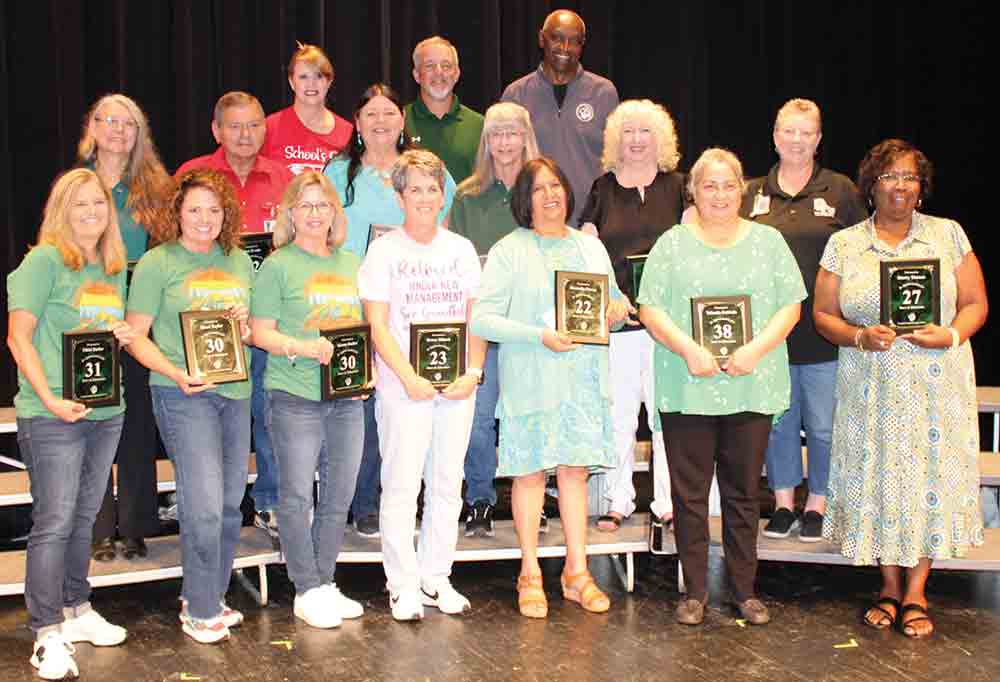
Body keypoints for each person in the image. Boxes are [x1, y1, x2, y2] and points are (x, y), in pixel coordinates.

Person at [814, 139, 987, 638]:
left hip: (938, 385)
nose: (900, 186)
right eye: (890, 176)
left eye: (910, 177)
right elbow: (824, 316)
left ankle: (917, 591)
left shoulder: (948, 236)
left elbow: (976, 302)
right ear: (871, 186)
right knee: (880, 478)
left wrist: (951, 334)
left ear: (922, 187)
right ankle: (888, 586)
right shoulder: (844, 244)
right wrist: (859, 336)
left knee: (928, 480)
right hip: (871, 385)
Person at [638, 148, 805, 627]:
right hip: (688, 384)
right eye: (708, 185)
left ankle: (744, 590)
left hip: (748, 385)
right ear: (693, 191)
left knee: (743, 495)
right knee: (689, 497)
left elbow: (790, 306)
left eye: (728, 185)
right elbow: (650, 308)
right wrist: (689, 349)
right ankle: (694, 591)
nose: (719, 195)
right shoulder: (671, 243)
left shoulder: (769, 241)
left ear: (742, 190)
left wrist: (755, 351)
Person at [472, 157, 629, 618]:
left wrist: (615, 312)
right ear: (525, 199)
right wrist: (536, 335)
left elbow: (614, 300)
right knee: (530, 475)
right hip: (532, 380)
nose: (550, 195)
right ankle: (530, 573)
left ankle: (577, 573)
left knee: (575, 474)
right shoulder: (508, 251)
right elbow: (482, 318)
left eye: (556, 185)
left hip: (583, 382)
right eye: (539, 189)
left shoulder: (590, 248)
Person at [7, 168, 135, 680]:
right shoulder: (42, 262)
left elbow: (97, 334)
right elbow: (19, 340)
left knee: (84, 519)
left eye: (99, 204)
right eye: (79, 204)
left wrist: (122, 332)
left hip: (105, 413)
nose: (91, 213)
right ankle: (45, 632)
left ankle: (77, 609)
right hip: (51, 416)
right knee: (55, 522)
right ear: (61, 210)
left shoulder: (112, 266)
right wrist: (51, 400)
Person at [125, 169, 254, 644]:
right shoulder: (157, 263)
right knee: (200, 506)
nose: (204, 219)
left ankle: (207, 596)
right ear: (177, 213)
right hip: (182, 394)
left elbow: (247, 333)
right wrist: (177, 373)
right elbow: (135, 335)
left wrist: (242, 328)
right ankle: (200, 611)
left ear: (227, 215)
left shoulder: (239, 261)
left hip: (234, 394)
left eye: (214, 210)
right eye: (194, 209)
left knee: (225, 505)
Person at [358, 149, 484, 621]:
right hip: (402, 388)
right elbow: (378, 325)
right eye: (416, 189)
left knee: (448, 485)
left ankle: (436, 578)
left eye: (434, 188)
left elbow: (476, 320)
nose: (426, 197)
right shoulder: (383, 251)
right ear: (399, 196)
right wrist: (408, 377)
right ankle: (403, 584)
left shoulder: (461, 250)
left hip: (456, 388)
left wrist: (472, 373)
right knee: (401, 486)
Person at [325, 83, 456, 538]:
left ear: (403, 121)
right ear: (357, 124)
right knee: (364, 408)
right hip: (356, 305)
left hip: (419, 308)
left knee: (413, 410)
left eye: (389, 113)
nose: (380, 122)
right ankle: (364, 504)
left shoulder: (425, 172)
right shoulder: (338, 172)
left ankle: (408, 505)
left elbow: (448, 237)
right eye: (370, 114)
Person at [740, 99, 868, 542]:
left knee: (822, 426)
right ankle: (782, 503)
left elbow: (863, 254)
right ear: (775, 136)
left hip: (824, 334)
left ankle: (818, 502)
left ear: (818, 139)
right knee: (777, 423)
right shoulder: (749, 193)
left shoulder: (841, 191)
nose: (797, 140)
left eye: (806, 132)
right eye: (789, 132)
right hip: (768, 336)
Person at [250, 171, 368, 628]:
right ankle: (305, 587)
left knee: (339, 494)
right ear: (290, 213)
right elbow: (260, 333)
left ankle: (325, 580)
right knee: (297, 495)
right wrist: (302, 347)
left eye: (323, 205)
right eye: (306, 206)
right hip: (294, 393)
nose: (315, 214)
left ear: (335, 212)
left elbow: (365, 328)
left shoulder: (352, 263)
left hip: (346, 397)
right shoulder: (278, 265)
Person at [176, 91, 294, 540]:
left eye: (254, 125)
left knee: (268, 415)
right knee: (209, 425)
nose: (246, 135)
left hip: (264, 321)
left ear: (266, 128)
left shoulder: (283, 177)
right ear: (216, 130)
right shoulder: (193, 176)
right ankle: (206, 511)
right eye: (235, 126)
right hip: (203, 324)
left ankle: (268, 502)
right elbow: (170, 246)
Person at [579, 99, 683, 534]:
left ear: (660, 138)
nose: (636, 140)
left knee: (667, 418)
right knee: (619, 417)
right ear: (614, 140)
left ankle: (667, 502)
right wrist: (611, 297)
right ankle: (618, 500)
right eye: (628, 132)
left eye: (645, 131)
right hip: (618, 326)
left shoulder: (678, 187)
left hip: (669, 328)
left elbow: (694, 249)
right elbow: (584, 253)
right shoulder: (602, 189)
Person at [78, 94, 172, 563]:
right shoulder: (76, 183)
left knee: (135, 422)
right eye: (109, 121)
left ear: (140, 134)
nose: (118, 130)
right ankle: (96, 526)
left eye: (128, 123)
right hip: (86, 314)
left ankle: (134, 524)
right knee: (93, 419)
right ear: (92, 127)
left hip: (139, 314)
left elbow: (168, 254)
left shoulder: (155, 187)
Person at [450, 102, 540, 538]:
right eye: (496, 134)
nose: (504, 142)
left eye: (512, 133)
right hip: (481, 326)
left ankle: (533, 500)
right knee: (479, 419)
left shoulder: (542, 188)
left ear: (526, 136)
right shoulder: (467, 195)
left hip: (528, 326)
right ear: (486, 140)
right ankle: (481, 499)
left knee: (525, 414)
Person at [501, 9, 618, 225]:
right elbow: (502, 164)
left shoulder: (604, 93)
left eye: (574, 41)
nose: (565, 48)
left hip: (590, 225)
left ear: (582, 45)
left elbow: (614, 162)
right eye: (556, 38)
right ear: (541, 39)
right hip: (533, 224)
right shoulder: (516, 94)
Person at [262, 42, 353, 175]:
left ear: (329, 82)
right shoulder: (269, 128)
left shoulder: (347, 134)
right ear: (291, 82)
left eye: (319, 76)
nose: (311, 84)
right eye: (303, 77)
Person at [403, 36, 484, 184]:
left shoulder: (480, 125)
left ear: (457, 74)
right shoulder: (400, 121)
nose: (439, 72)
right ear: (416, 75)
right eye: (429, 66)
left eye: (446, 66)